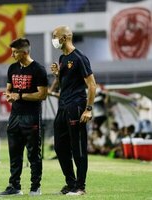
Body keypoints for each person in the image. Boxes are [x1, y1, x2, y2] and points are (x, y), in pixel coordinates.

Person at [51, 26, 97, 196]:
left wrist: (88, 109)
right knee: (59, 147)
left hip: (76, 106)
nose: (53, 40)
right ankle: (70, 183)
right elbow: (67, 83)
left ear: (64, 37)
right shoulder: (63, 57)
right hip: (62, 106)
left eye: (55, 36)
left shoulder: (79, 57)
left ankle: (80, 186)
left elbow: (92, 85)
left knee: (77, 147)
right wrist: (58, 75)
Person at [0, 38, 48, 196]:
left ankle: (35, 187)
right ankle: (14, 186)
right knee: (14, 153)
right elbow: (9, 89)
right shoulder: (12, 68)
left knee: (33, 154)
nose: (12, 55)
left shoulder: (38, 69)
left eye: (15, 52)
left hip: (31, 117)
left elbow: (42, 95)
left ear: (25, 52)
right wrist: (9, 95)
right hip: (14, 116)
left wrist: (19, 96)